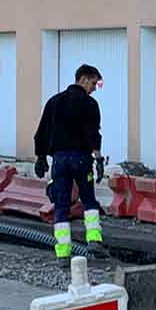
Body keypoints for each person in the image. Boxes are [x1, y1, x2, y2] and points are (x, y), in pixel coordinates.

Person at [33, 64, 105, 259]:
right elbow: (93, 135)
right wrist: (98, 160)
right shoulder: (89, 104)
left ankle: (63, 253)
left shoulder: (54, 102)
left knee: (61, 205)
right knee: (89, 200)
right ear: (83, 79)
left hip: (59, 161)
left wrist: (40, 157)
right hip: (81, 159)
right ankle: (94, 242)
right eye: (93, 83)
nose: (94, 89)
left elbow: (41, 132)